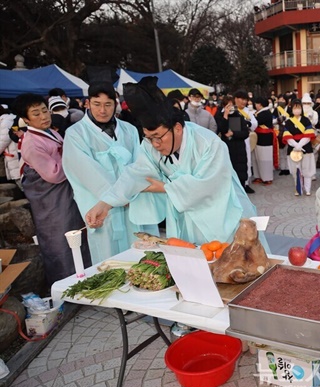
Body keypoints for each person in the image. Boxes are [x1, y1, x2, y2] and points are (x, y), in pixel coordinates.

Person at [85, 77, 265, 249]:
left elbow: (210, 186)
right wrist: (105, 204)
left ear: (177, 128)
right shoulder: (150, 145)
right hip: (187, 219)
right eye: (149, 138)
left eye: (158, 137)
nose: (155, 144)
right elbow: (135, 174)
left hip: (225, 215)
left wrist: (165, 187)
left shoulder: (209, 143)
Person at [63, 82, 158, 265]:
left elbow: (140, 165)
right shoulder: (76, 133)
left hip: (134, 200)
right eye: (97, 104)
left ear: (116, 104)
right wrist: (117, 198)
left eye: (108, 104)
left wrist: (131, 192)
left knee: (142, 251)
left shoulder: (129, 130)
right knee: (109, 258)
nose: (103, 110)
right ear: (88, 103)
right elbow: (86, 172)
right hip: (101, 204)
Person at [12, 93, 91, 285]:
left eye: (44, 110)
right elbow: (53, 174)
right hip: (51, 201)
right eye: (36, 113)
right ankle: (65, 285)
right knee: (59, 240)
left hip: (63, 197)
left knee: (76, 235)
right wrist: (71, 157)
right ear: (26, 119)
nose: (44, 116)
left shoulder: (50, 132)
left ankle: (83, 278)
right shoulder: (32, 142)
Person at [282, 99, 316, 196]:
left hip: (306, 147)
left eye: (299, 108)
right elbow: (286, 135)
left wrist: (300, 144)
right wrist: (295, 145)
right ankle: (298, 188)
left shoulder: (306, 120)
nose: (297, 110)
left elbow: (309, 134)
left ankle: (307, 188)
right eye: (295, 108)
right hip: (293, 149)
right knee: (295, 169)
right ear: (291, 109)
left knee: (307, 169)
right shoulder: (288, 122)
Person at [251, 97, 275, 185]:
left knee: (265, 159)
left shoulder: (265, 113)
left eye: (256, 103)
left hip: (265, 138)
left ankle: (267, 178)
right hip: (258, 137)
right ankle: (258, 176)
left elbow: (256, 122)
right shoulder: (258, 113)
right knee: (257, 158)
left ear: (259, 104)